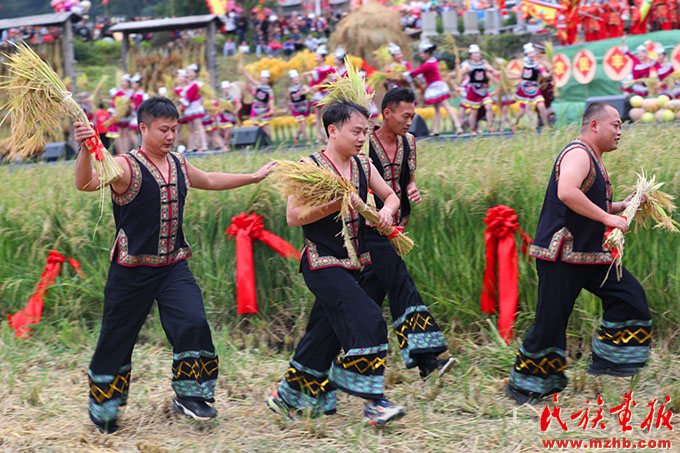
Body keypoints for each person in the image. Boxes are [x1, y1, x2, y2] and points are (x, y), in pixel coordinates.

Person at [73, 96, 276, 433]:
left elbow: (209, 179)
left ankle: (191, 396)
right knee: (117, 337)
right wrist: (84, 148)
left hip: (172, 266)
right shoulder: (124, 166)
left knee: (193, 322)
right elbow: (85, 183)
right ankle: (105, 405)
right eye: (163, 130)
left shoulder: (179, 164)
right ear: (143, 128)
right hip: (131, 270)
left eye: (174, 129)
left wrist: (253, 177)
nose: (170, 136)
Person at [267, 100, 406, 426]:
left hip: (355, 263)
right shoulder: (310, 167)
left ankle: (287, 397)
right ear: (333, 130)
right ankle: (374, 402)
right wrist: (336, 204)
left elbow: (391, 196)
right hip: (321, 262)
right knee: (368, 316)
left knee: (323, 334)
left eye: (365, 132)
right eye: (355, 131)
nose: (362, 138)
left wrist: (386, 211)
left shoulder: (363, 166)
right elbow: (292, 217)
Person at [504, 102, 651, 405]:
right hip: (561, 257)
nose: (620, 131)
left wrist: (623, 207)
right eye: (616, 125)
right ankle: (525, 388)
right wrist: (609, 219)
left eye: (621, 126)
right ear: (594, 125)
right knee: (549, 323)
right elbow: (567, 192)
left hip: (590, 255)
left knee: (630, 296)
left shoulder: (594, 158)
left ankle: (609, 363)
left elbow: (587, 202)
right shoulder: (578, 153)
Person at [360, 88, 453, 378]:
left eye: (413, 115)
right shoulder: (364, 144)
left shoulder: (410, 143)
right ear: (386, 113)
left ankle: (347, 360)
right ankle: (427, 359)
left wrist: (411, 188)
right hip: (368, 231)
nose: (410, 121)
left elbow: (407, 181)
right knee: (402, 286)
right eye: (406, 115)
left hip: (396, 229)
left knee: (367, 298)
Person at [403, 39, 463, 135]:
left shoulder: (429, 64)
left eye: (422, 53)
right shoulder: (432, 62)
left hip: (437, 87)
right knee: (437, 109)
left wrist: (407, 74)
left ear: (427, 53)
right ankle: (436, 130)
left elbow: (416, 72)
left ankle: (458, 126)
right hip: (434, 86)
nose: (421, 55)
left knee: (446, 106)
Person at [459, 44, 498, 134]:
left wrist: (501, 71)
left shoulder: (484, 65)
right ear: (471, 55)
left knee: (489, 106)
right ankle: (473, 129)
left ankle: (490, 127)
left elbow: (493, 71)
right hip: (473, 90)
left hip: (483, 89)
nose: (477, 55)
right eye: (475, 53)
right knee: (474, 110)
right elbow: (459, 73)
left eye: (478, 53)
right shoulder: (468, 66)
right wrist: (457, 69)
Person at [512, 43, 550, 131]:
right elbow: (522, 76)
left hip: (534, 88)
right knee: (522, 111)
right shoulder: (524, 65)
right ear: (527, 55)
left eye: (533, 53)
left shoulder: (538, 65)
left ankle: (546, 125)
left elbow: (545, 75)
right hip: (524, 89)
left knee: (541, 105)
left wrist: (550, 72)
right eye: (530, 53)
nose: (532, 55)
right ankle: (514, 124)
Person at [305, 45, 335, 142]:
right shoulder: (315, 70)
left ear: (322, 58)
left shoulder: (329, 69)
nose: (315, 59)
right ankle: (319, 136)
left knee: (325, 116)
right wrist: (307, 77)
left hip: (325, 95)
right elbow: (312, 83)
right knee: (317, 116)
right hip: (317, 95)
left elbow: (330, 81)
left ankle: (326, 136)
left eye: (317, 57)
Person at [180, 64, 208, 152]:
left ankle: (204, 145)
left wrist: (183, 104)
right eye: (189, 72)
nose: (190, 74)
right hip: (189, 108)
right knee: (191, 128)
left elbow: (189, 97)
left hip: (194, 107)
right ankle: (191, 146)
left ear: (196, 74)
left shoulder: (195, 84)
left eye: (192, 72)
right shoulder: (188, 84)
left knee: (198, 126)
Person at [244, 69, 275, 138]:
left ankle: (269, 141)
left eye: (265, 78)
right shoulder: (258, 85)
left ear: (268, 79)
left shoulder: (270, 89)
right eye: (262, 78)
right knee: (253, 125)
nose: (263, 79)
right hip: (255, 108)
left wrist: (272, 108)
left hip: (264, 108)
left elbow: (271, 99)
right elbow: (250, 78)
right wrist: (244, 71)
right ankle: (255, 141)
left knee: (265, 126)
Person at [288, 69, 310, 145]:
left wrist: (303, 92)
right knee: (302, 123)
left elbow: (308, 90)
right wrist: (288, 108)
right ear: (291, 80)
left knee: (303, 124)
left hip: (304, 106)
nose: (296, 79)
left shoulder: (302, 86)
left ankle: (296, 137)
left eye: (297, 77)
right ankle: (307, 140)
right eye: (294, 78)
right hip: (296, 107)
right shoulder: (290, 89)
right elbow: (290, 99)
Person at [217, 80, 240, 150]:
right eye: (224, 89)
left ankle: (225, 143)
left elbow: (239, 105)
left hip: (232, 117)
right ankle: (226, 145)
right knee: (224, 131)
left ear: (229, 89)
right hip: (224, 117)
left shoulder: (233, 97)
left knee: (230, 129)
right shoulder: (221, 99)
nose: (225, 91)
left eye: (226, 89)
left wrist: (235, 111)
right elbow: (218, 108)